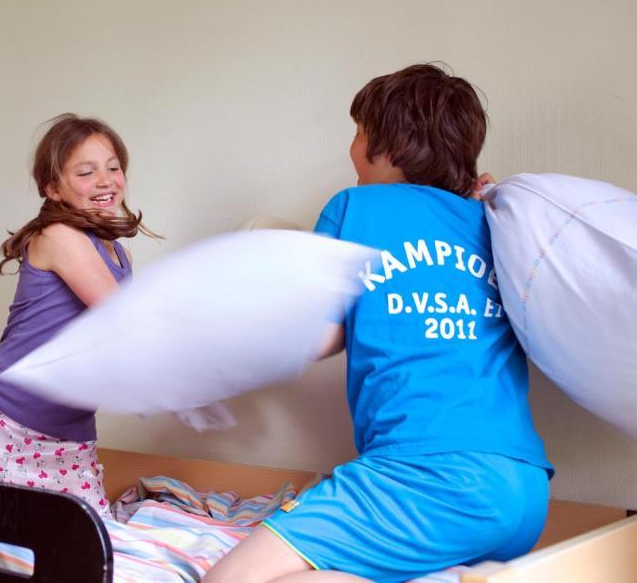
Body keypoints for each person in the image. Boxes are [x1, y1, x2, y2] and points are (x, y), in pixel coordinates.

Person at [205, 64, 552, 582]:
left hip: (425, 479)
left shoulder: (354, 206)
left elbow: (316, 337)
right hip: (524, 492)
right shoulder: (488, 219)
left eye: (358, 132)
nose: (351, 148)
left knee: (227, 580)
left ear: (389, 147)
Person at [0, 113, 156, 516]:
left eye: (113, 167)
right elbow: (123, 319)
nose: (106, 181)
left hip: (67, 437)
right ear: (53, 188)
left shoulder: (118, 253)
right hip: (0, 420)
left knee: (89, 542)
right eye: (87, 172)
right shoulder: (59, 237)